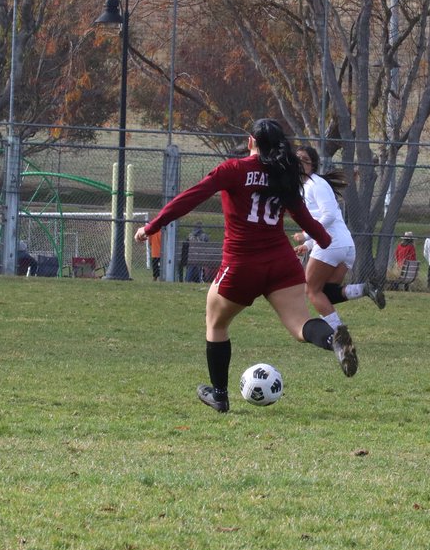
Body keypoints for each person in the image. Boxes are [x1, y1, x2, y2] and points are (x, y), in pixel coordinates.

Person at [133, 118, 358, 414]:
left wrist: (153, 226)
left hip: (242, 264)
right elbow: (303, 216)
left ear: (250, 140)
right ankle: (333, 339)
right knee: (300, 324)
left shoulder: (233, 170)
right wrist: (323, 239)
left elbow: (191, 198)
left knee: (216, 323)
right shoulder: (283, 175)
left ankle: (220, 395)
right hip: (281, 263)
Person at [291, 146, 385, 335]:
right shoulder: (306, 187)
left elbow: (329, 216)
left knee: (312, 291)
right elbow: (325, 220)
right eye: (296, 158)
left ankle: (338, 334)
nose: (299, 163)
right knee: (326, 293)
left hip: (333, 245)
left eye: (304, 160)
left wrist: (307, 235)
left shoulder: (315, 184)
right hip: (343, 246)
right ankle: (364, 288)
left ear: (313, 165)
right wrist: (308, 245)